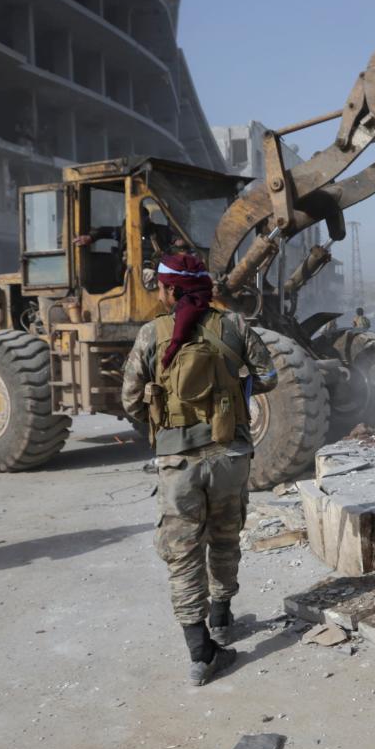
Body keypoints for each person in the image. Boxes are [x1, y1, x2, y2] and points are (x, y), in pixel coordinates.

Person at [121, 253, 277, 686]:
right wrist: (236, 385)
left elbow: (130, 401)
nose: (157, 292)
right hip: (229, 456)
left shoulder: (151, 335)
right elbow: (270, 375)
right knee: (225, 537)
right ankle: (223, 616)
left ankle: (201, 651)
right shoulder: (236, 326)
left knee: (183, 552)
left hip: (178, 463)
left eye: (161, 286)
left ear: (172, 291)